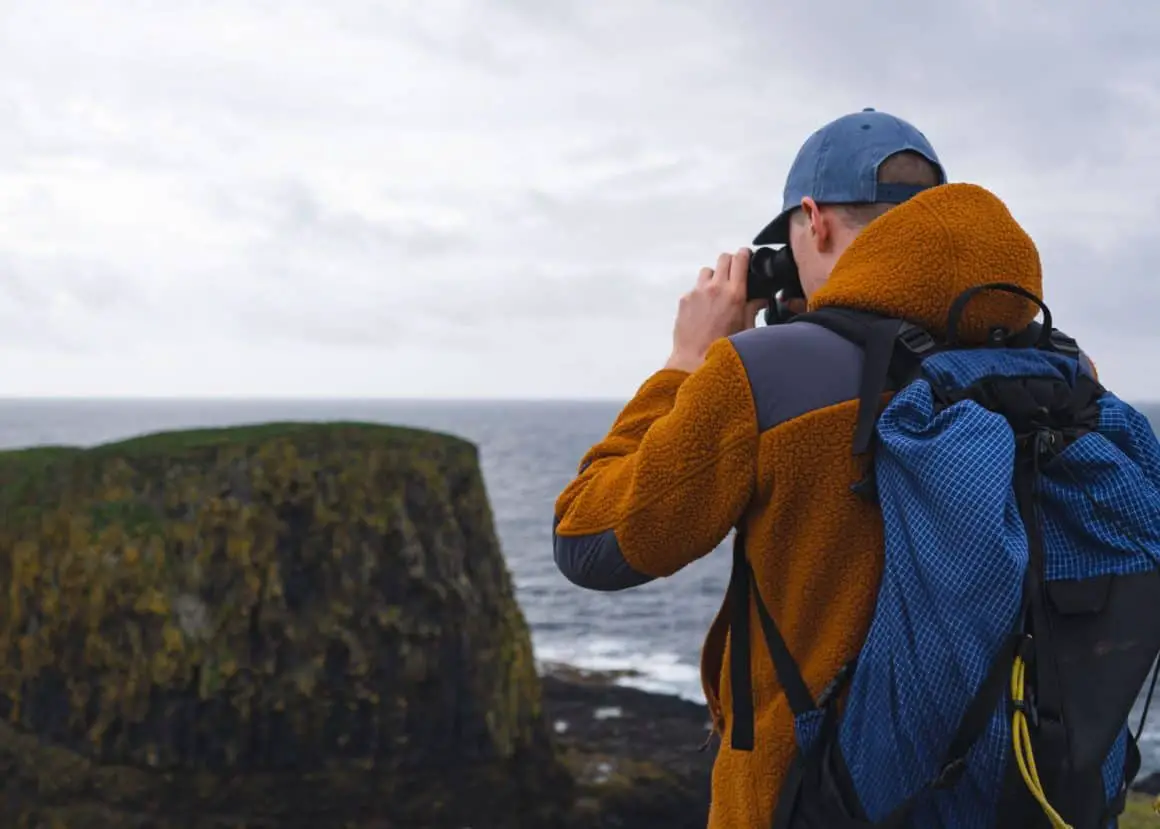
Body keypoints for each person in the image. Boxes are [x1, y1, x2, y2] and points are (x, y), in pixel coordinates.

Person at [550, 108, 1150, 828]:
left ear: (815, 220)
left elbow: (592, 540)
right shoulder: (1063, 369)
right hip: (1032, 795)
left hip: (819, 804)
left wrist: (686, 363)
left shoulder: (765, 376)